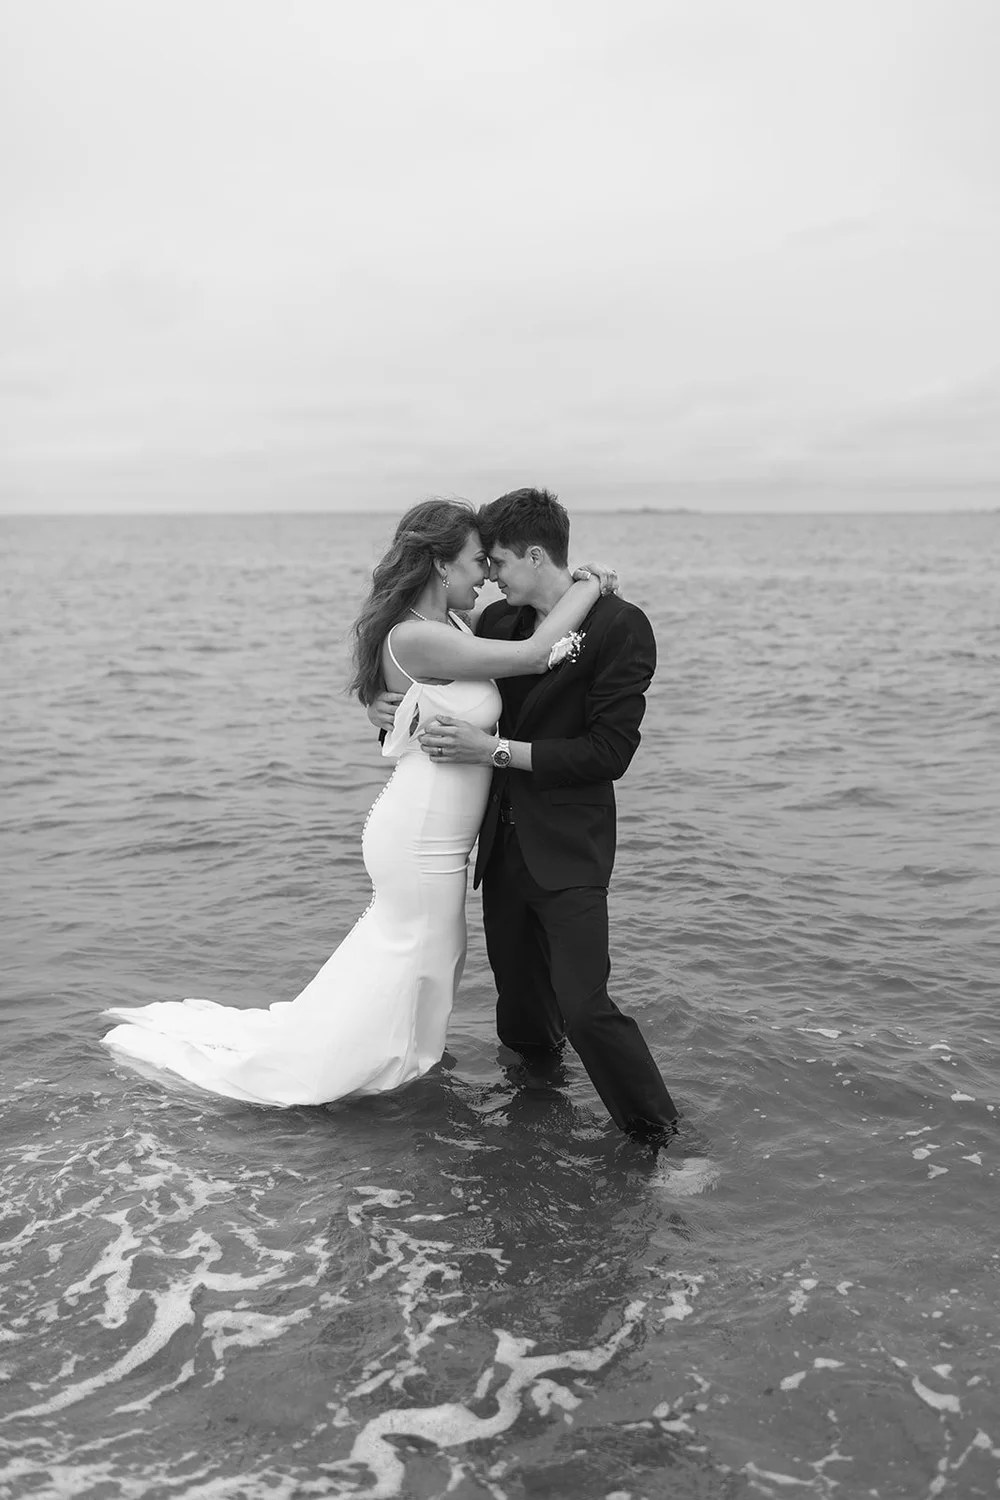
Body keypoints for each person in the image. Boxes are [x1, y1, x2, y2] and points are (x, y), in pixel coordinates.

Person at [101, 499, 606, 1107]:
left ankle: (401, 1076)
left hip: (437, 833)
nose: (486, 576)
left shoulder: (452, 630)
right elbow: (531, 656)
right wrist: (592, 584)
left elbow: (428, 702)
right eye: (477, 562)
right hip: (419, 833)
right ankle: (364, 1076)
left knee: (432, 958)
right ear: (441, 566)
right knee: (419, 954)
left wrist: (387, 710)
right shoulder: (416, 636)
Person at [369, 488, 679, 1145]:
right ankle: (534, 1121)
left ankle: (658, 1136)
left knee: (585, 1005)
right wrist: (389, 713)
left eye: (499, 562)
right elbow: (444, 695)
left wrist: (498, 752)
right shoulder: (498, 627)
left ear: (535, 556)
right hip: (500, 849)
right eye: (481, 564)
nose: (488, 577)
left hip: (569, 847)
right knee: (522, 1016)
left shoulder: (622, 627)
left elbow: (608, 753)